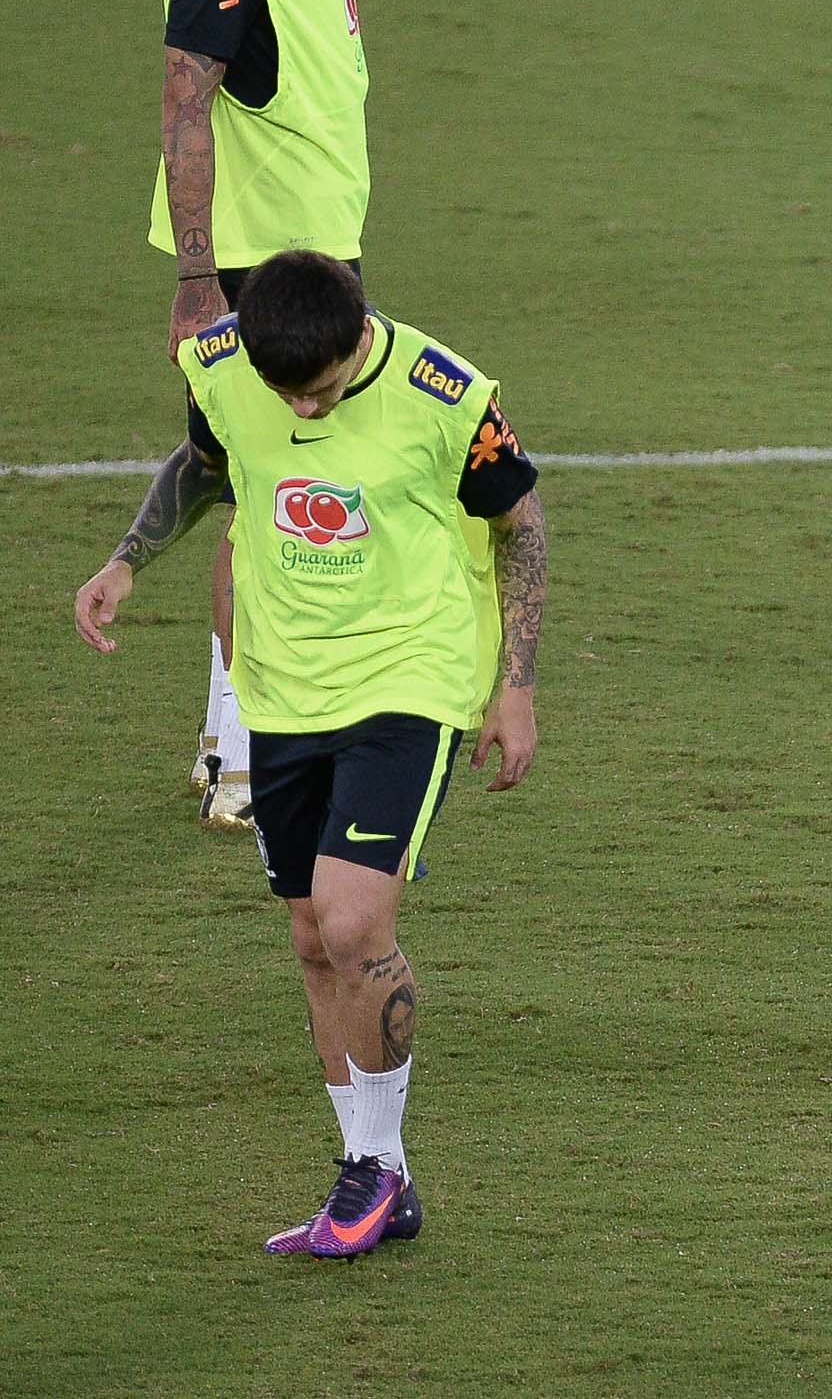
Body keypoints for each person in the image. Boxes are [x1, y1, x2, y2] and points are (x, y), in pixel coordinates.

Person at [73, 251, 544, 1256]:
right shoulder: (221, 365)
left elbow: (521, 525)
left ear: (360, 337)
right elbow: (204, 464)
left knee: (353, 916)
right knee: (310, 937)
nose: (304, 409)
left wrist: (515, 682)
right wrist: (127, 559)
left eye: (323, 392)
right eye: (286, 392)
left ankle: (371, 1172)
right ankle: (380, 1173)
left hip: (411, 679)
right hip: (281, 686)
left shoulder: (446, 395)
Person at [158, 0, 462, 828]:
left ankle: (232, 738)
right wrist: (198, 278)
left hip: (312, 239)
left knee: (265, 488)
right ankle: (242, 754)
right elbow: (185, 96)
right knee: (272, 494)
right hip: (257, 253)